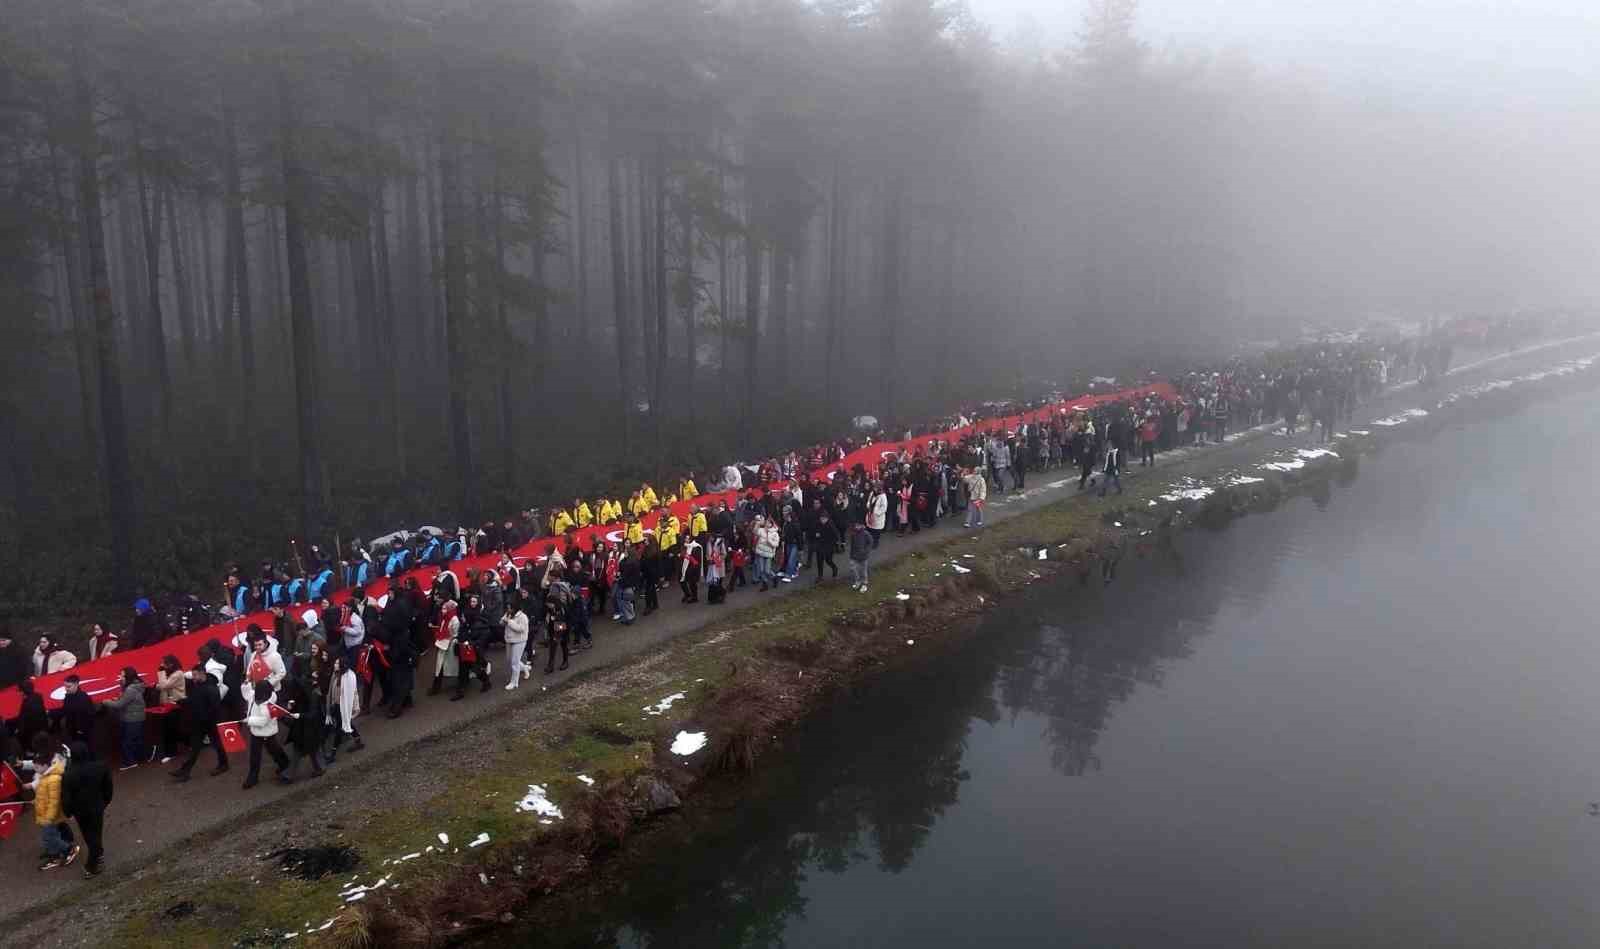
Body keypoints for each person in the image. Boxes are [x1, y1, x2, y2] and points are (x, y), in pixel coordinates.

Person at [170, 663, 227, 782]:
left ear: (202, 673)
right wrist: (182, 702)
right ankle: (185, 771)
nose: (193, 677)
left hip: (209, 722)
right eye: (193, 675)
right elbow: (194, 700)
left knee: (217, 745)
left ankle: (223, 764)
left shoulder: (211, 688)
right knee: (195, 747)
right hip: (199, 722)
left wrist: (208, 719)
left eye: (195, 675)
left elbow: (214, 707)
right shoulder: (198, 685)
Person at [63, 740, 111, 877]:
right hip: (97, 806)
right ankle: (97, 856)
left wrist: (68, 812)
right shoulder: (100, 767)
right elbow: (108, 787)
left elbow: (66, 798)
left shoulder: (68, 775)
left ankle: (92, 865)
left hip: (80, 811)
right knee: (97, 832)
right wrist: (105, 801)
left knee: (88, 834)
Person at [32, 746, 78, 870]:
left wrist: (49, 817)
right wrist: (36, 801)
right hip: (45, 814)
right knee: (47, 836)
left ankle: (68, 849)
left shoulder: (53, 779)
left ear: (45, 765)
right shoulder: (45, 776)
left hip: (49, 816)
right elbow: (44, 794)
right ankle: (53, 853)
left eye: (37, 767)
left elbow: (54, 801)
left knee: (51, 836)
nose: (35, 770)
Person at [241, 681, 292, 788]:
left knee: (273, 750)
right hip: (257, 732)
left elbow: (263, 721)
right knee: (257, 754)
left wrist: (248, 720)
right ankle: (253, 776)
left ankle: (284, 764)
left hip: (266, 732)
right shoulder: (255, 696)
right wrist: (246, 685)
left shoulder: (268, 705)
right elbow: (246, 694)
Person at [281, 669, 326, 780]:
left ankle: (290, 774)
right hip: (306, 729)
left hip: (309, 728)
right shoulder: (306, 693)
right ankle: (319, 768)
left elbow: (313, 714)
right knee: (312, 750)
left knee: (304, 750)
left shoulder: (314, 696)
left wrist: (299, 715)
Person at [100, 667, 147, 771]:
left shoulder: (130, 689)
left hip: (132, 719)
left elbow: (119, 705)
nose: (120, 677)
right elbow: (126, 699)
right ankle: (141, 758)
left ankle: (130, 762)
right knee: (136, 739)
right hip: (137, 717)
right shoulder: (136, 686)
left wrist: (106, 702)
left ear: (127, 677)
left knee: (127, 742)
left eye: (122, 675)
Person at [153, 655, 188, 763]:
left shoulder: (178, 674)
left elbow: (163, 685)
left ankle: (172, 753)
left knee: (172, 729)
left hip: (175, 704)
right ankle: (189, 743)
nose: (162, 665)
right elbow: (163, 685)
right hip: (168, 704)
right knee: (171, 729)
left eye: (164, 663)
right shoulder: (172, 674)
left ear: (171, 664)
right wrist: (158, 684)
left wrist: (160, 672)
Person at [503, 601, 531, 690]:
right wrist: (504, 621)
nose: (508, 610)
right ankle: (525, 668)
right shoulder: (508, 614)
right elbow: (502, 622)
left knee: (514, 662)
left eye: (510, 608)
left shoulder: (523, 617)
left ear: (514, 608)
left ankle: (514, 682)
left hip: (519, 641)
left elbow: (521, 629)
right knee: (511, 660)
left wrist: (509, 622)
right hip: (509, 640)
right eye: (507, 608)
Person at [812, 513, 839, 583]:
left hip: (828, 546)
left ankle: (835, 569)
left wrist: (832, 545)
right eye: (821, 519)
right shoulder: (818, 524)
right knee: (819, 561)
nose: (822, 520)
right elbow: (815, 533)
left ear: (827, 519)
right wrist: (816, 535)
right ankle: (820, 576)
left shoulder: (831, 525)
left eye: (824, 519)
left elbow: (836, 537)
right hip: (820, 546)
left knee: (828, 560)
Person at [848, 521, 872, 593]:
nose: (857, 527)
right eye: (856, 525)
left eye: (859, 525)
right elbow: (852, 545)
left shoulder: (866, 534)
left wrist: (865, 551)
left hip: (863, 556)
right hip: (854, 555)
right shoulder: (853, 533)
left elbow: (870, 542)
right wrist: (851, 554)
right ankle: (858, 581)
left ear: (862, 526)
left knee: (863, 570)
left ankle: (864, 584)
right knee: (853, 569)